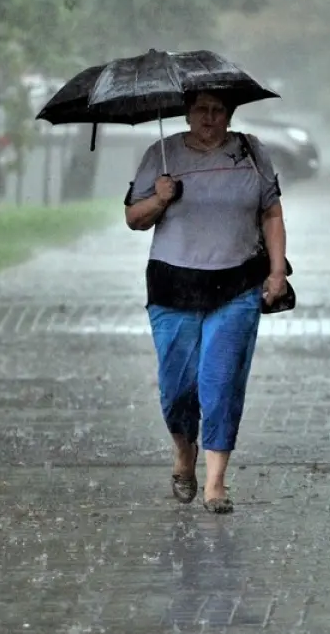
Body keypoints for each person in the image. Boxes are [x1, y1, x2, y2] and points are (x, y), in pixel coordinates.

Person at [123, 90, 289, 515]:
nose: (210, 118)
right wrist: (160, 198)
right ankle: (184, 452)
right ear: (187, 114)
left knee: (220, 384)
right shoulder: (161, 154)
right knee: (178, 389)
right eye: (201, 110)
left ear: (229, 115)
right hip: (172, 287)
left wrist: (274, 273)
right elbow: (133, 219)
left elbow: (271, 212)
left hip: (236, 286)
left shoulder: (252, 153)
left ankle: (216, 483)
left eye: (218, 111)